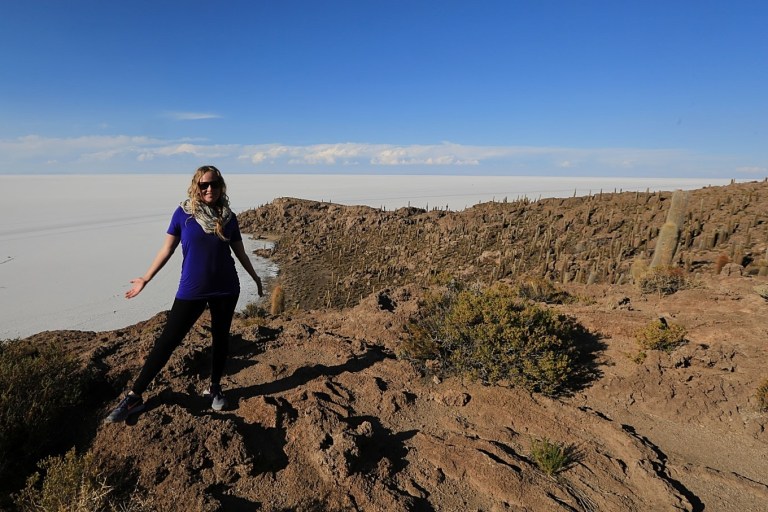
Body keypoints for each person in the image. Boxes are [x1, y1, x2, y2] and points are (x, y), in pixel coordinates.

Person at [106, 165, 264, 423]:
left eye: (213, 184)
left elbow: (239, 252)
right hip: (192, 289)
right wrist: (146, 278)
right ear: (196, 187)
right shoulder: (183, 214)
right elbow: (166, 249)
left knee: (220, 338)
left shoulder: (228, 217)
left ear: (221, 186)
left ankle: (215, 387)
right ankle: (134, 396)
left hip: (226, 288)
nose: (209, 189)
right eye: (204, 185)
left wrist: (255, 277)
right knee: (168, 340)